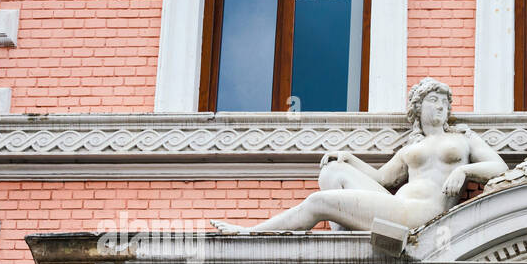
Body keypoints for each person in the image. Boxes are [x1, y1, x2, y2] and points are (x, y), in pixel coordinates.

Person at [211, 78, 506, 233]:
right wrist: (347, 157)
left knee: (318, 202)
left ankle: (253, 233)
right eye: (433, 101)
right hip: (396, 207)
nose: (440, 107)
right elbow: (382, 179)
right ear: (419, 108)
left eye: (444, 102)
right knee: (333, 172)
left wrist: (464, 171)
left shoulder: (463, 138)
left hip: (422, 215)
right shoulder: (410, 148)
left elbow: (499, 167)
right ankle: (350, 231)